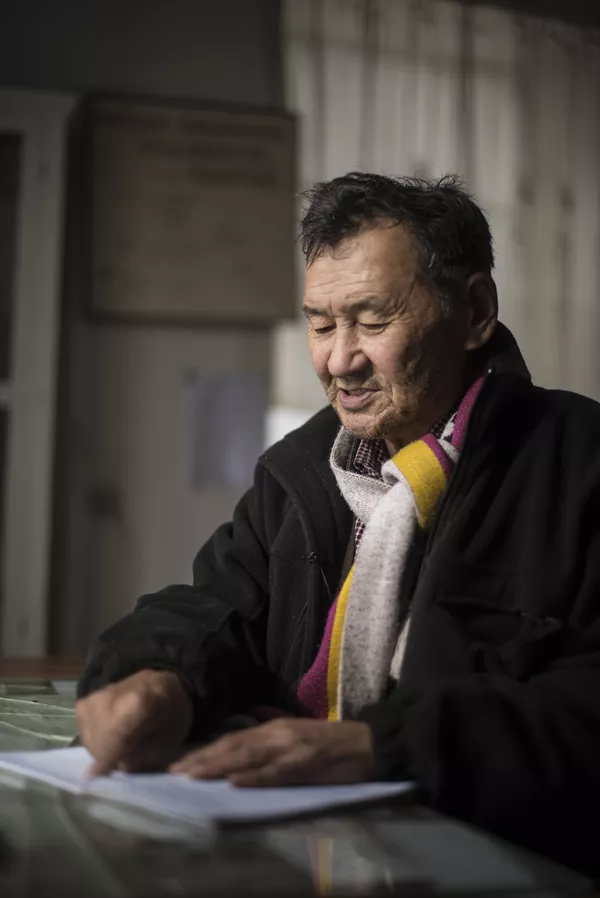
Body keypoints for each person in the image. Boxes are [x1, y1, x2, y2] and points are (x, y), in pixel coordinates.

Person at [77, 173, 600, 875]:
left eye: (373, 322)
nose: (339, 360)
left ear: (475, 310)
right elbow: (218, 606)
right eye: (321, 324)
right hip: (306, 855)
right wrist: (158, 677)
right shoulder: (304, 467)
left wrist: (381, 747)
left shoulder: (578, 462)